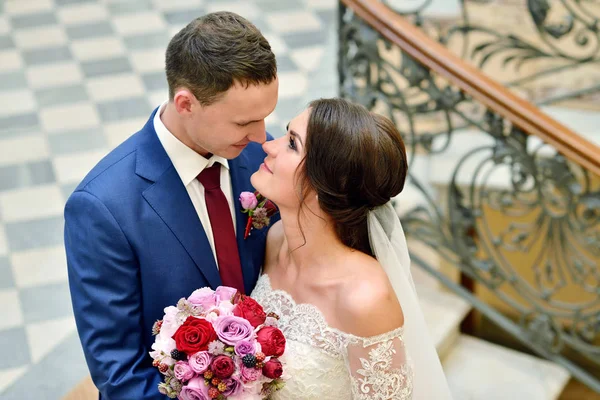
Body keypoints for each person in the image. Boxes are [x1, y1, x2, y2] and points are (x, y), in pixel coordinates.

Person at [64, 12, 278, 399]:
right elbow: (120, 372)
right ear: (185, 103)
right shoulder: (103, 208)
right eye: (243, 122)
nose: (262, 136)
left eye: (265, 117)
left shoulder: (262, 162)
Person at [250, 98, 453, 399]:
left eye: (292, 144)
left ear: (326, 184)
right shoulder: (275, 239)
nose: (269, 146)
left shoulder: (365, 299)